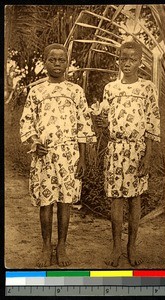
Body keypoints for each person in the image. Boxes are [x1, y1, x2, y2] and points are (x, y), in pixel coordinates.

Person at [20, 43, 96, 267]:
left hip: (69, 155)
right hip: (44, 155)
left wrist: (82, 158)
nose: (56, 64)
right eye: (52, 59)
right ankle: (46, 245)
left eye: (61, 60)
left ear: (67, 63)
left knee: (65, 201)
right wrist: (35, 142)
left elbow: (83, 127)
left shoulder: (75, 91)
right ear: (45, 63)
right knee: (46, 201)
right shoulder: (36, 91)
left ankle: (61, 245)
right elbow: (27, 122)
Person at [93, 40, 160, 267]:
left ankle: (132, 246)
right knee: (116, 199)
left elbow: (152, 122)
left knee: (134, 198)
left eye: (132, 59)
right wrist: (100, 121)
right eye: (123, 59)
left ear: (140, 62)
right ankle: (116, 247)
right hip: (115, 148)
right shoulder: (111, 89)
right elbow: (103, 122)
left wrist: (148, 155)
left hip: (137, 149)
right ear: (118, 60)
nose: (127, 63)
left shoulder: (147, 88)